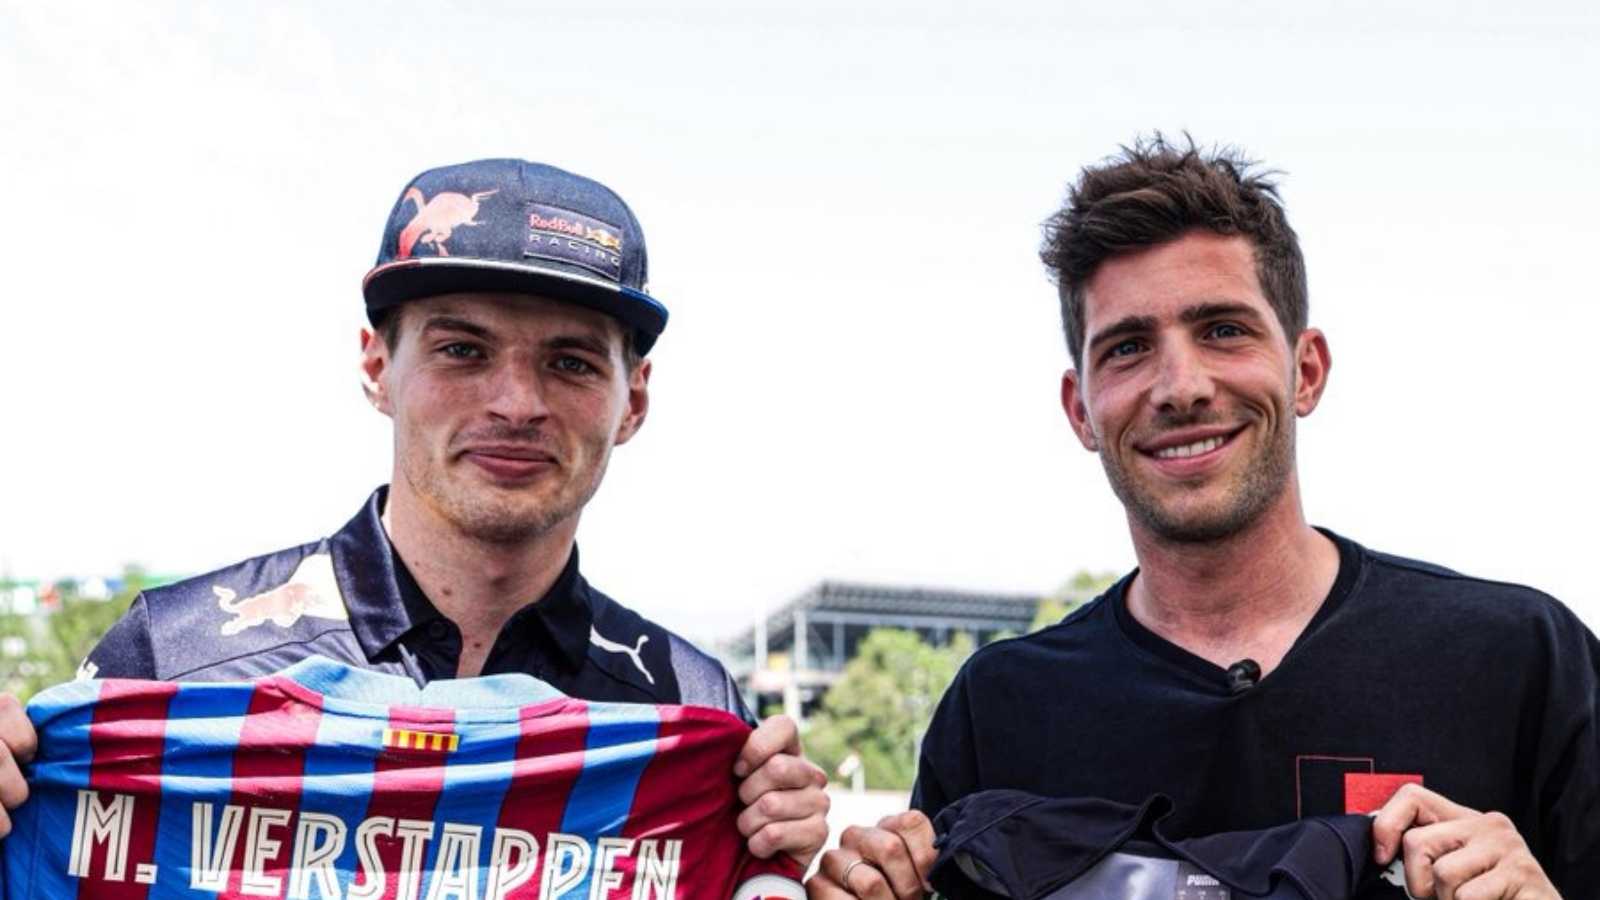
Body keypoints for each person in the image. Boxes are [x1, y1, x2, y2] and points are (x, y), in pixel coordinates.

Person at [809, 137, 1598, 899]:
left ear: (1306, 370)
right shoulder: (1001, 709)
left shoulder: (1523, 661)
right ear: (1081, 409)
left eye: (1223, 330)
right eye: (1127, 347)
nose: (1180, 385)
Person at [0, 158, 829, 867]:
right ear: (376, 366)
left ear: (633, 401)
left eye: (570, 363)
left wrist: (802, 874)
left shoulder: (692, 711)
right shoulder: (174, 656)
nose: (516, 403)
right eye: (461, 350)